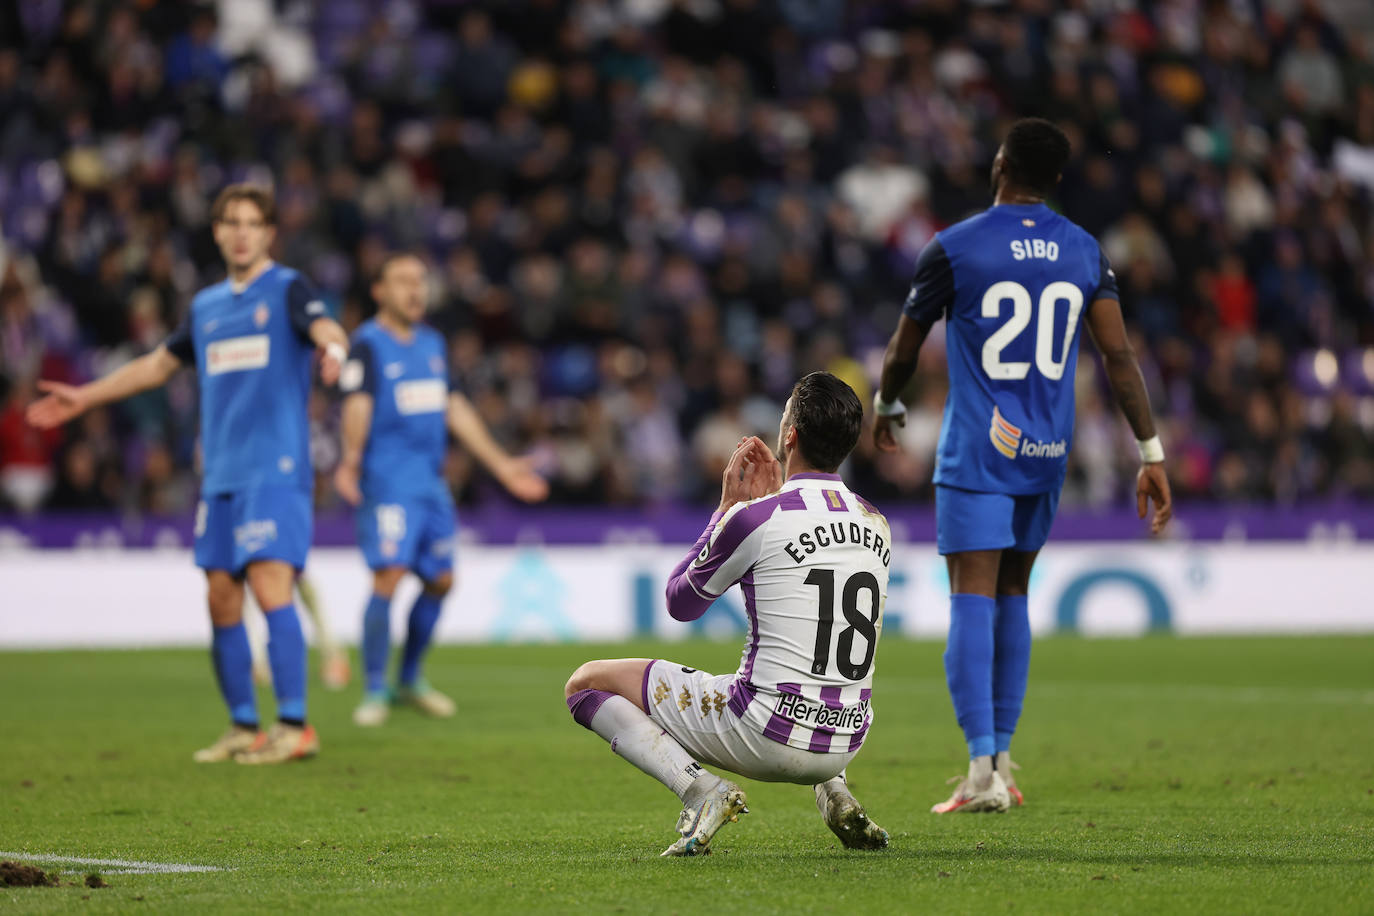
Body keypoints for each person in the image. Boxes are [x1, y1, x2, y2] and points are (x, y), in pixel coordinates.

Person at [872, 119, 1173, 813]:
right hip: (1046, 450)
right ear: (1058, 179)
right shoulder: (1085, 251)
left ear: (1001, 162)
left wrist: (888, 403)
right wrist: (1150, 452)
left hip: (980, 448)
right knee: (1014, 593)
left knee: (970, 595)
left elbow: (904, 345)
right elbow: (1119, 358)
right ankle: (1001, 763)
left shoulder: (955, 246)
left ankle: (980, 773)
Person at [28, 184, 350, 765]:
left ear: (269, 232)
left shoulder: (286, 289)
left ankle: (296, 726)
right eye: (231, 221)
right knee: (221, 597)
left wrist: (335, 350)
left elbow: (325, 325)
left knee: (270, 584)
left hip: (275, 470)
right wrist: (85, 397)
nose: (242, 231)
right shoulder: (205, 307)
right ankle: (243, 726)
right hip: (221, 474)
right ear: (218, 232)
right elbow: (157, 364)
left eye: (253, 222)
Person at [565, 372, 891, 856]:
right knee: (810, 667)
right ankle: (835, 794)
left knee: (586, 683)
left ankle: (701, 791)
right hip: (847, 739)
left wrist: (727, 508)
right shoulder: (877, 523)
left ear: (790, 436)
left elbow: (680, 603)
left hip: (763, 730)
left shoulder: (759, 517)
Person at [333, 253, 548, 727]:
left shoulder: (432, 344)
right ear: (379, 291)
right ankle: (374, 689)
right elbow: (357, 405)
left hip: (431, 486)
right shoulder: (366, 344)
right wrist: (349, 461)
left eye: (420, 281)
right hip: (388, 482)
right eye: (403, 281)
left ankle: (409, 680)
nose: (415, 290)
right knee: (388, 575)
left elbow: (455, 408)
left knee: (442, 580)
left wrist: (502, 465)